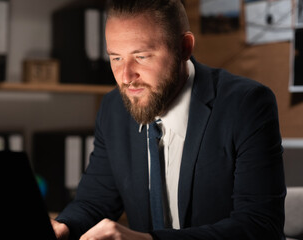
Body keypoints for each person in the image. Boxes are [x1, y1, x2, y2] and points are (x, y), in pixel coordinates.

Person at [51, 0, 286, 239]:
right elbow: (94, 202)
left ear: (184, 47)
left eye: (141, 56)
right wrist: (63, 226)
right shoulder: (114, 108)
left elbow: (260, 226)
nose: (126, 77)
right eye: (116, 58)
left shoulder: (247, 104)